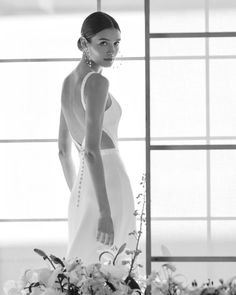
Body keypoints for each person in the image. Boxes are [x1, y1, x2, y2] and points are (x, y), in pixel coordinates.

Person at [58, 11, 136, 265]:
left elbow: (62, 151)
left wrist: (78, 194)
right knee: (116, 266)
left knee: (82, 270)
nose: (111, 50)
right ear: (84, 44)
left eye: (116, 43)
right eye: (103, 42)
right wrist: (104, 211)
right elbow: (91, 150)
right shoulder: (97, 84)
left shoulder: (68, 83)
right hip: (109, 181)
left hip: (82, 188)